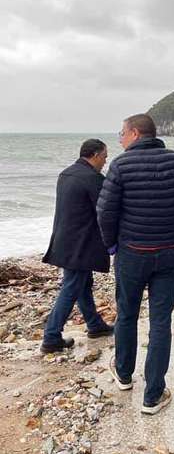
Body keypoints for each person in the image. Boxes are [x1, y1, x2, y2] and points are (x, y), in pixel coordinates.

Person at [97, 114, 174, 415]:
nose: (120, 139)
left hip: (132, 253)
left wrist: (111, 245)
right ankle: (152, 395)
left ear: (134, 133)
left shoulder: (121, 165)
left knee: (127, 314)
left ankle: (124, 374)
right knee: (160, 321)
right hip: (168, 253)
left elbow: (105, 212)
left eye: (121, 133)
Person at [41, 139, 113, 354]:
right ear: (95, 155)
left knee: (82, 283)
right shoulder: (92, 178)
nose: (105, 161)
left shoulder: (66, 174)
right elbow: (105, 211)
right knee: (72, 286)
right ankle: (51, 336)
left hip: (64, 239)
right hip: (81, 242)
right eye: (104, 157)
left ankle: (95, 324)